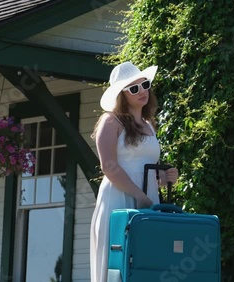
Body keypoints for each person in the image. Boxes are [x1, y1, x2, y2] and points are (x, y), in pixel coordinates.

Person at [90, 61, 178, 282]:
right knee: (118, 263)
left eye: (145, 84)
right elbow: (109, 167)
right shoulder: (110, 121)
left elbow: (147, 169)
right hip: (118, 198)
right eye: (134, 88)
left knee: (146, 261)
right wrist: (140, 196)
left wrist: (165, 177)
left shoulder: (149, 125)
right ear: (122, 94)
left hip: (148, 200)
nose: (142, 91)